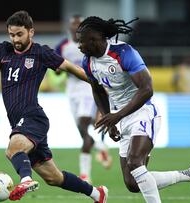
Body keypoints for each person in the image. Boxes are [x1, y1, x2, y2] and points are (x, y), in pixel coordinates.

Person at [0, 10, 107, 203]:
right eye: (12, 34)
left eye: (19, 34)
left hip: (33, 117)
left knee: (13, 150)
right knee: (54, 178)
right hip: (20, 123)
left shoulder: (41, 53)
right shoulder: (3, 50)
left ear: (31, 32)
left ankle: (26, 179)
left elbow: (71, 68)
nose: (15, 39)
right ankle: (97, 194)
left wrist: (98, 82)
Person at [76, 16, 190, 203]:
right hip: (120, 118)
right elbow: (97, 89)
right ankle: (189, 174)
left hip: (143, 112)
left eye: (81, 41)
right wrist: (109, 118)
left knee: (135, 162)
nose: (79, 46)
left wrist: (117, 115)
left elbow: (147, 89)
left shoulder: (124, 52)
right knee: (132, 183)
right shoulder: (87, 62)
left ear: (95, 39)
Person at [54, 15, 112, 182]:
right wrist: (60, 69)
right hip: (71, 90)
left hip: (88, 87)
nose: (75, 28)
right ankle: (100, 147)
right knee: (83, 132)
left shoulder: (89, 44)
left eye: (79, 25)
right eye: (74, 25)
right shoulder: (63, 46)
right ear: (70, 28)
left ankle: (85, 175)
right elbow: (56, 68)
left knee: (83, 123)